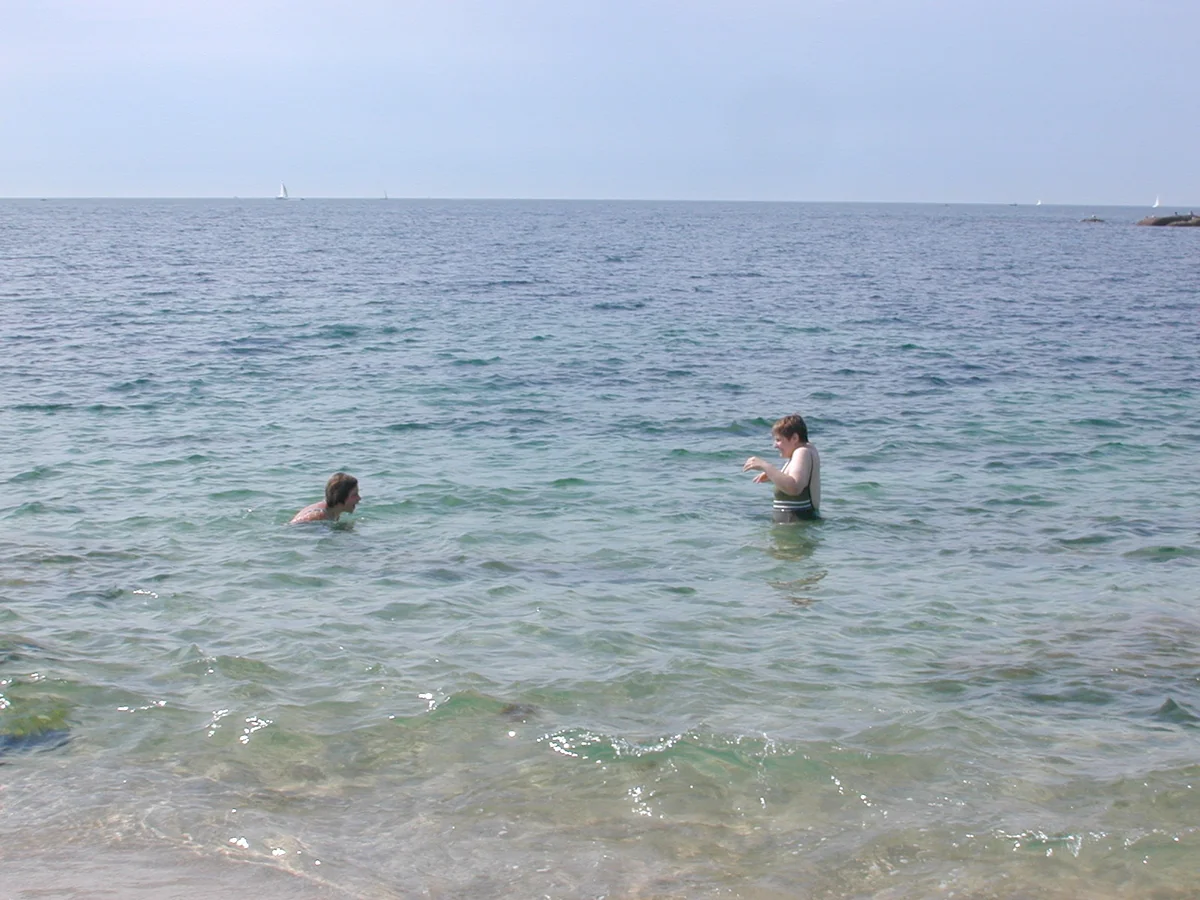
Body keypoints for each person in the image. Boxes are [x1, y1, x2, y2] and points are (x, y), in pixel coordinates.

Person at [743, 414, 820, 523]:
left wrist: (766, 466)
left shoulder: (801, 451)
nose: (775, 445)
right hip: (799, 524)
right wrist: (774, 475)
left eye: (778, 440)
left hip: (795, 526)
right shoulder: (808, 449)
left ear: (795, 438)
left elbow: (794, 487)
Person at [290, 472, 361, 524]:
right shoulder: (318, 516)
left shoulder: (334, 512)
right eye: (354, 495)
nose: (359, 498)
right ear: (340, 496)